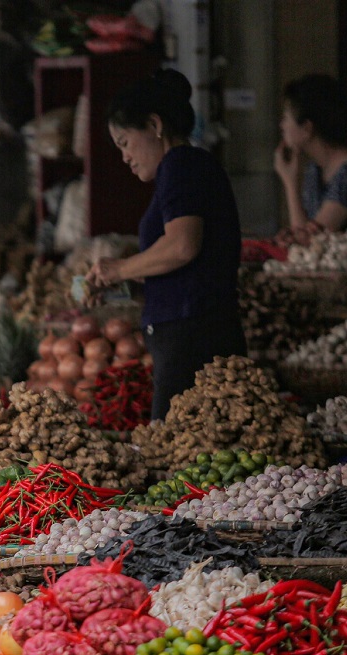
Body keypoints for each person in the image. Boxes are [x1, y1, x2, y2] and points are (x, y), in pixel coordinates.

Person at [87, 69, 245, 420]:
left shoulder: (180, 165)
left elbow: (182, 246)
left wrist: (118, 269)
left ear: (155, 125)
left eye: (125, 143)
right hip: (195, 331)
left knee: (176, 453)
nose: (124, 157)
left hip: (192, 339)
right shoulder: (186, 168)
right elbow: (189, 271)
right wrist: (126, 289)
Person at [273, 74, 347, 244]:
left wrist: (290, 182)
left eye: (285, 118)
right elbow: (303, 236)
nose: (281, 126)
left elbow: (310, 242)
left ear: (307, 128)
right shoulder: (315, 168)